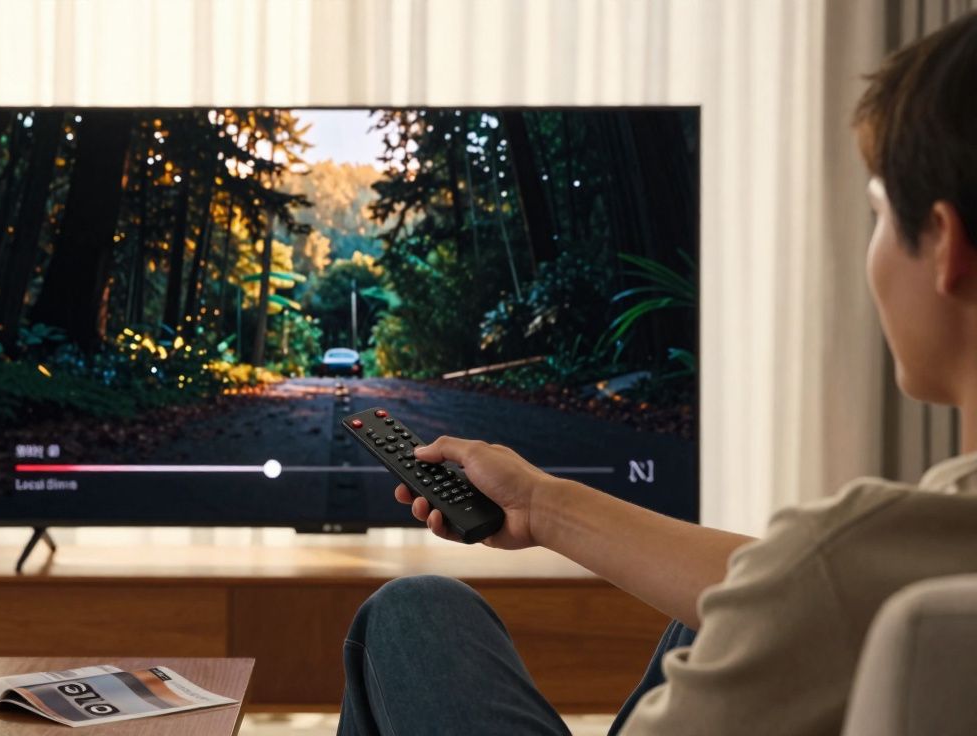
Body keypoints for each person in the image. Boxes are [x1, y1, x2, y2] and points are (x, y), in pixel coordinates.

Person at [339, 12, 977, 736]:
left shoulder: (841, 557)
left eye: (878, 214)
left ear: (945, 246)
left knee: (412, 611)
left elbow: (809, 583)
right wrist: (541, 505)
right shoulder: (876, 564)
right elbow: (782, 587)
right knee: (707, 615)